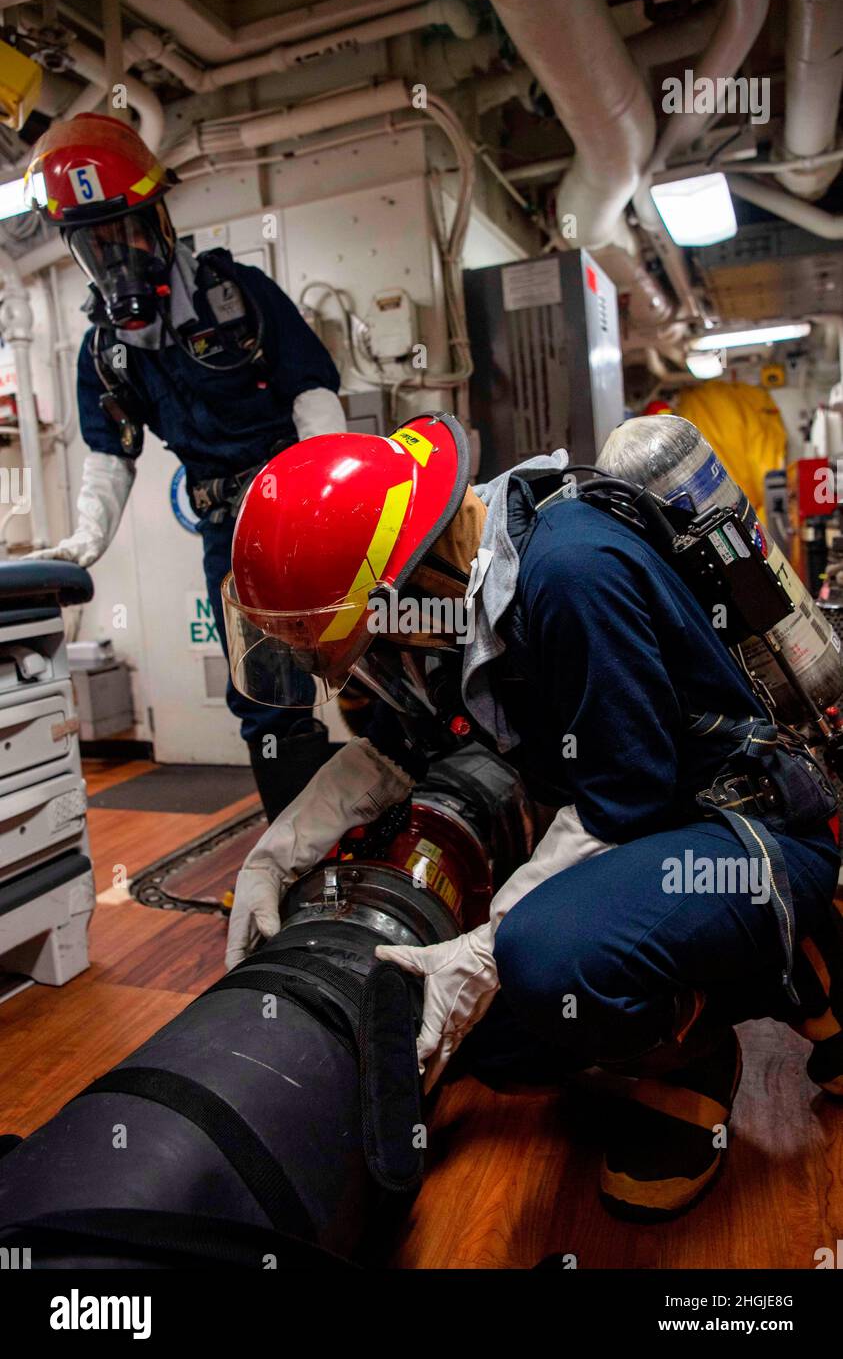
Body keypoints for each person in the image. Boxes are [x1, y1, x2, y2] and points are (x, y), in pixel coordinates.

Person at [221, 410, 842, 1222]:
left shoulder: (567, 571)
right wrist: (275, 855)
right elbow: (402, 744)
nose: (339, 667)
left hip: (743, 829)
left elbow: (626, 797)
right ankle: (770, 965)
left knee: (545, 963)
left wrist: (482, 955)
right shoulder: (456, 589)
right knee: (501, 1048)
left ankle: (705, 1042)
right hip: (656, 828)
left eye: (341, 641)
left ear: (396, 586)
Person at [24, 113, 346, 818]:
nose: (117, 258)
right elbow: (110, 456)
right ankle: (303, 852)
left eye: (127, 233)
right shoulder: (106, 353)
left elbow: (312, 394)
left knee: (368, 656)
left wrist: (324, 499)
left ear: (160, 222)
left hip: (299, 510)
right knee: (264, 692)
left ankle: (422, 808)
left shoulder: (239, 298)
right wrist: (85, 541)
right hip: (228, 538)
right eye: (94, 244)